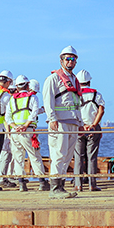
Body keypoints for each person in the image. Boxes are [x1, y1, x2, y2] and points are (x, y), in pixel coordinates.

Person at [42, 46, 82, 199]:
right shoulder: (53, 79)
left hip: (73, 122)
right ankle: (55, 188)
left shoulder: (74, 80)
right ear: (61, 60)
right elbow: (48, 100)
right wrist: (52, 118)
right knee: (58, 154)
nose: (70, 62)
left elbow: (77, 102)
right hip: (60, 123)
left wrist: (80, 121)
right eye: (68, 59)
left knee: (67, 156)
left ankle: (61, 187)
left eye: (73, 59)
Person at [6, 75, 50, 192]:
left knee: (18, 158)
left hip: (15, 132)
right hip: (28, 131)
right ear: (27, 85)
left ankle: (22, 184)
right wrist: (25, 126)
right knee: (34, 156)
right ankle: (42, 182)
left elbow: (8, 117)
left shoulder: (12, 99)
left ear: (16, 86)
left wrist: (16, 127)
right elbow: (33, 113)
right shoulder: (33, 97)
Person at [73, 70, 105, 192]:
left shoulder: (74, 95)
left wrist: (82, 125)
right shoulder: (97, 94)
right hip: (93, 128)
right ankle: (92, 185)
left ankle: (78, 185)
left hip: (78, 128)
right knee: (92, 157)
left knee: (78, 157)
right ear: (89, 81)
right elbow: (101, 110)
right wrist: (93, 125)